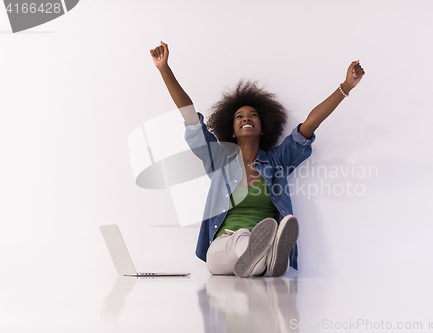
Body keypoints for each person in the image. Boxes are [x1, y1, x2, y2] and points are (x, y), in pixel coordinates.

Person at [150, 41, 365, 278]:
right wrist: (164, 69)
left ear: (263, 128)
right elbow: (190, 117)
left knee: (255, 257)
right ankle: (266, 254)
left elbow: (310, 124)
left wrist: (346, 86)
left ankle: (263, 255)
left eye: (253, 116)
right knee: (232, 249)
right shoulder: (219, 159)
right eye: (239, 116)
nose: (246, 118)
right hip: (225, 245)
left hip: (258, 248)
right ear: (231, 130)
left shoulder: (277, 162)